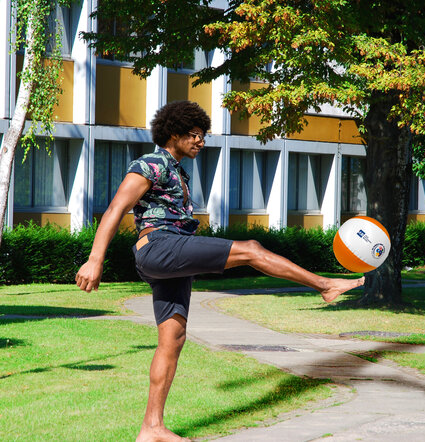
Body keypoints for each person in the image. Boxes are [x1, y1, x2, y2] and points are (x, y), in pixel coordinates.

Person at [75, 100, 364, 442]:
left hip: (172, 255)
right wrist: (95, 260)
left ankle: (151, 428)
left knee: (173, 340)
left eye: (203, 136)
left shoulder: (177, 169)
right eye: (195, 135)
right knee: (252, 250)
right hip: (159, 247)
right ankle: (324, 285)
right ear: (174, 134)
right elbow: (115, 209)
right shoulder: (150, 164)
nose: (201, 142)